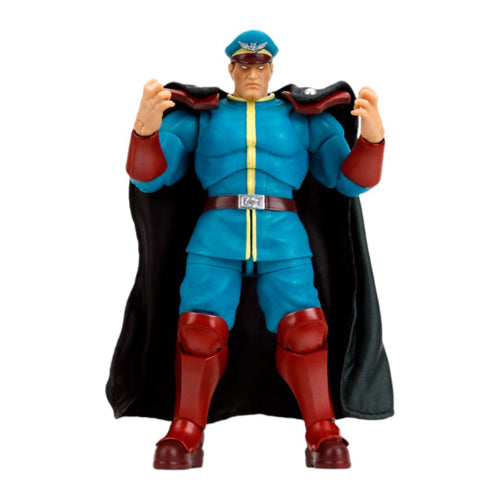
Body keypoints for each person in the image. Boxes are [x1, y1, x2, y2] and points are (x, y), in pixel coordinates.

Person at [107, 30, 393, 469]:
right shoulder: (202, 116)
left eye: (260, 66)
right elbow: (149, 178)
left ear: (272, 68)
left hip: (284, 238)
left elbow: (348, 181)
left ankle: (320, 427)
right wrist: (144, 130)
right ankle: (187, 427)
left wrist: (371, 140)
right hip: (215, 236)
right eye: (244, 65)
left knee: (306, 330)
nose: (252, 72)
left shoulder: (304, 118)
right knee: (199, 331)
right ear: (231, 69)